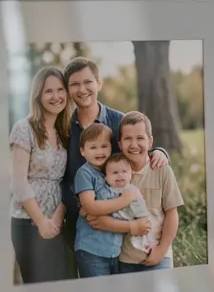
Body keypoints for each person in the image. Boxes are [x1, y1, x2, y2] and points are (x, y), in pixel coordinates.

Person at [61, 57, 167, 262]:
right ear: (68, 89)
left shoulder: (119, 121)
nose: (82, 89)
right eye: (74, 84)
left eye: (88, 82)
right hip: (80, 226)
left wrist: (160, 151)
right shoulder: (64, 129)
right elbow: (60, 174)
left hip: (122, 229)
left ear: (99, 84)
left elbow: (139, 147)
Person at [83, 111, 183, 272]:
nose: (134, 145)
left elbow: (172, 214)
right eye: (128, 139)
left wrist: (161, 250)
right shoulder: (113, 173)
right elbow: (97, 214)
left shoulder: (162, 170)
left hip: (158, 257)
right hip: (124, 258)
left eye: (140, 138)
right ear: (120, 144)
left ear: (150, 142)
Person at [9, 67, 70, 283]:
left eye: (60, 90)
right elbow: (18, 182)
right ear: (38, 95)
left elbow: (68, 180)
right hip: (28, 222)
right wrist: (41, 221)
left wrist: (56, 218)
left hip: (58, 222)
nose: (56, 96)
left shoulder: (66, 132)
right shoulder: (24, 129)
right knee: (38, 289)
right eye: (48, 91)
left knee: (62, 287)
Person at [72, 128, 152, 278]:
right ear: (83, 151)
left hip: (114, 250)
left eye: (104, 146)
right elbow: (90, 207)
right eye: (93, 147)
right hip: (91, 249)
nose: (99, 151)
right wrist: (124, 200)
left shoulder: (112, 170)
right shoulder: (85, 173)